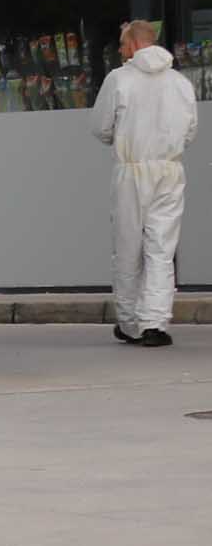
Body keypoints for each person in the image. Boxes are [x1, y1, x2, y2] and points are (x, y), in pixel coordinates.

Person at [91, 19, 196, 349]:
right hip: (169, 170)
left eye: (123, 45)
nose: (121, 52)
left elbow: (101, 127)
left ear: (134, 44)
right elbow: (190, 131)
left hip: (132, 169)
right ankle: (155, 322)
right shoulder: (180, 83)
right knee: (162, 249)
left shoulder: (119, 79)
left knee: (127, 248)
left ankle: (129, 322)